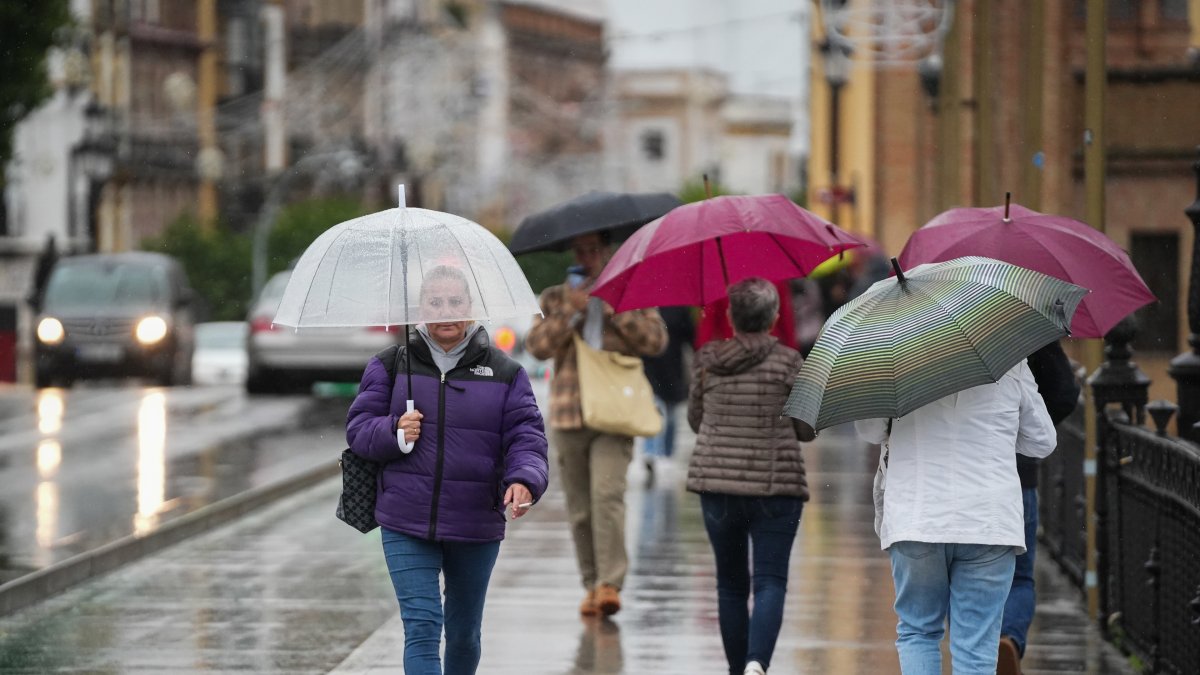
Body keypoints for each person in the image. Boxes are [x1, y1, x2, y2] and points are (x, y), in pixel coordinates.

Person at [345, 265, 549, 675]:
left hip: (474, 520)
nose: (446, 311)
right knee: (422, 627)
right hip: (405, 518)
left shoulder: (506, 373)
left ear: (471, 307)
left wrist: (524, 479)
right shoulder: (390, 366)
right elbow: (358, 430)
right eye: (435, 302)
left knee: (463, 634)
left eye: (455, 301)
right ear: (420, 308)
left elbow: (527, 436)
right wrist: (394, 431)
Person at [856, 359, 1057, 674]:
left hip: (917, 516)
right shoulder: (1010, 362)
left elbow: (870, 430)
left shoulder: (895, 361)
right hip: (988, 520)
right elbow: (1042, 440)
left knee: (918, 631)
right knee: (976, 649)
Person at [525, 231, 667, 617]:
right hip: (570, 411)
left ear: (607, 252)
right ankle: (590, 584)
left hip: (615, 411)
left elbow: (655, 341)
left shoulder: (630, 291)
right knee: (580, 507)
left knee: (607, 495)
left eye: (593, 251)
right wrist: (570, 312)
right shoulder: (554, 297)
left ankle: (609, 583)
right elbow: (537, 347)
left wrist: (613, 309)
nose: (586, 258)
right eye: (580, 251)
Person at [685, 277, 809, 675]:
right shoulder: (790, 361)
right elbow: (806, 429)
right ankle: (758, 663)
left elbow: (696, 420)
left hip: (717, 485)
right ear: (774, 319)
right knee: (770, 581)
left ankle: (738, 670)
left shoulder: (707, 360)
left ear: (729, 316)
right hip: (777, 488)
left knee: (730, 584)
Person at [998, 340, 1080, 675]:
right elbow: (1064, 394)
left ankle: (975, 650)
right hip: (1017, 474)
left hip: (950, 478)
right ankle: (1009, 638)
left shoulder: (930, 329)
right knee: (1018, 577)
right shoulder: (1021, 326)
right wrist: (1025, 427)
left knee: (959, 576)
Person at [640, 305, 695, 482]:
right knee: (653, 410)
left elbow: (690, 335)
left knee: (670, 415)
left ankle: (667, 454)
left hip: (672, 370)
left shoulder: (679, 308)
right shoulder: (643, 306)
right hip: (649, 370)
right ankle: (650, 452)